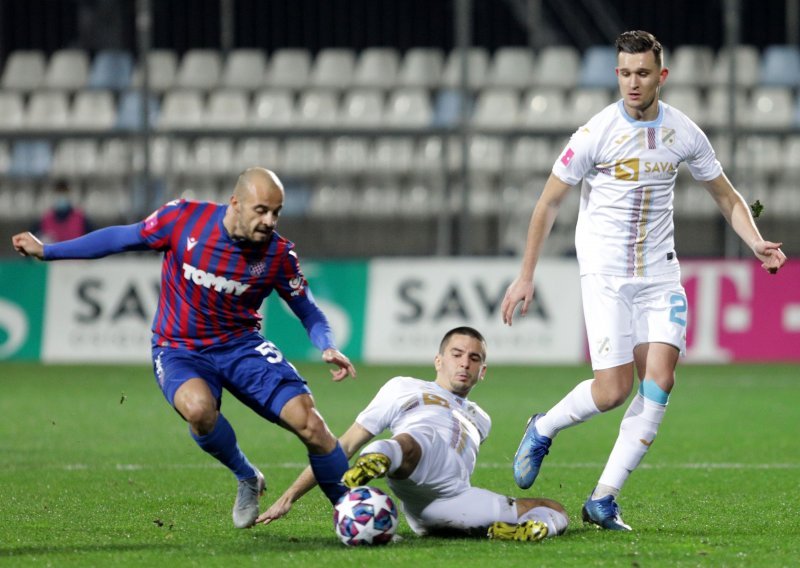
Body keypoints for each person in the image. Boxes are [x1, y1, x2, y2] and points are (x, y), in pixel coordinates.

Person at [501, 30, 787, 531]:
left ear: (662, 76)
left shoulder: (684, 132)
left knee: (659, 381)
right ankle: (543, 427)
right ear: (617, 74)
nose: (633, 82)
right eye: (625, 73)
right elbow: (547, 204)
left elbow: (726, 195)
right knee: (612, 391)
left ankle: (603, 498)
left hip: (660, 273)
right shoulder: (594, 133)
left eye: (643, 73)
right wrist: (526, 275)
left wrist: (756, 241)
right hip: (606, 275)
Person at [12, 167, 356, 529]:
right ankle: (247, 476)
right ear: (235, 203)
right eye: (261, 210)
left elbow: (309, 310)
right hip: (179, 347)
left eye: (276, 212)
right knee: (198, 410)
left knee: (311, 424)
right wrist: (48, 251)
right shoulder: (183, 219)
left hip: (241, 346)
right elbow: (121, 238)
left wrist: (327, 345)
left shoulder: (278, 255)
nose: (270, 221)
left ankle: (350, 510)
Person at [257, 326, 569, 541]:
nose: (464, 363)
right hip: (413, 468)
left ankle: (526, 529)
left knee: (555, 510)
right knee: (416, 439)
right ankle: (377, 459)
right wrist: (288, 497)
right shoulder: (403, 387)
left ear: (482, 371)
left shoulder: (482, 419)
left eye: (474, 359)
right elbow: (345, 443)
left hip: (452, 500)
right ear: (439, 360)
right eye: (457, 354)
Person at [33, 179, 92, 243]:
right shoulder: (45, 220)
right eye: (59, 192)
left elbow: (92, 240)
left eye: (64, 192)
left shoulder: (80, 219)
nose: (61, 196)